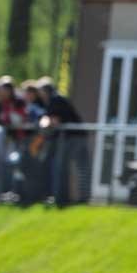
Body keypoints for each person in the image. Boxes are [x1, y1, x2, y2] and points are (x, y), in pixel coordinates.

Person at [37, 76, 90, 205]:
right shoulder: (57, 99)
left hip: (73, 138)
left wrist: (43, 126)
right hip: (77, 137)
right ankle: (81, 198)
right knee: (79, 168)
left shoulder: (55, 100)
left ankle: (69, 198)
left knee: (68, 168)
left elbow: (53, 120)